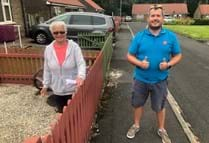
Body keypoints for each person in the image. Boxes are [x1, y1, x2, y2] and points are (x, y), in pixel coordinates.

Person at [126, 4, 182, 142]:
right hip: (140, 79)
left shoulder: (170, 37)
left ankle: (161, 129)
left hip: (160, 80)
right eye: (153, 16)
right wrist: (139, 63)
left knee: (160, 106)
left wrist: (168, 64)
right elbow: (129, 55)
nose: (155, 18)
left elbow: (178, 55)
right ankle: (136, 125)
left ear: (162, 18)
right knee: (138, 104)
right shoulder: (139, 37)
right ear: (148, 18)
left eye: (158, 16)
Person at [40, 21, 86, 113]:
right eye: (56, 32)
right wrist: (45, 85)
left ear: (66, 32)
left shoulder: (74, 47)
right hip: (57, 89)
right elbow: (47, 69)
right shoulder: (48, 49)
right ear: (52, 33)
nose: (59, 34)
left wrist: (80, 76)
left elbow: (81, 63)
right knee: (62, 113)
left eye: (62, 32)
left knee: (75, 114)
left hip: (73, 89)